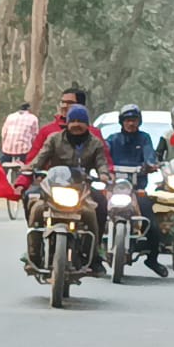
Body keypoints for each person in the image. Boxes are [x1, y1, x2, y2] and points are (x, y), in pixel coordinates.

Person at [21, 105, 110, 273]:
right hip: (53, 188)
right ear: (67, 123)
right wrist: (29, 168)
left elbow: (101, 163)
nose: (76, 125)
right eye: (73, 121)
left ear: (87, 124)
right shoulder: (54, 139)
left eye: (80, 121)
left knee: (96, 208)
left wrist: (104, 174)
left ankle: (94, 255)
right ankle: (33, 254)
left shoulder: (95, 143)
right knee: (35, 206)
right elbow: (40, 158)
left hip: (81, 189)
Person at [103, 104, 168, 277]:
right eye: (127, 120)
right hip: (114, 189)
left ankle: (152, 259)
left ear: (139, 122)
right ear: (121, 122)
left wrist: (150, 165)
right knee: (94, 214)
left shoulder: (144, 138)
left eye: (134, 120)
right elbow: (103, 157)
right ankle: (92, 256)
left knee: (153, 225)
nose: (131, 123)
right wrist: (103, 170)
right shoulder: (112, 139)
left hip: (137, 190)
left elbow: (150, 156)